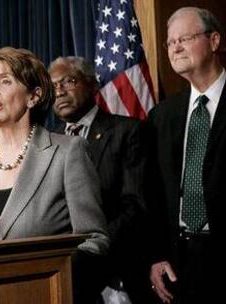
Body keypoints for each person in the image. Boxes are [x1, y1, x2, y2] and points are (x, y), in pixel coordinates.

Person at [0, 47, 109, 304]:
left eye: (4, 81)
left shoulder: (67, 152)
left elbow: (94, 241)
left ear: (34, 96)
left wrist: (50, 280)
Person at [49, 56, 151, 304]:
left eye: (68, 81)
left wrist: (88, 253)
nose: (59, 91)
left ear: (93, 85)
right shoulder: (47, 143)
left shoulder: (127, 131)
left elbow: (135, 205)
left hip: (112, 271)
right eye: (53, 86)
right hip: (59, 275)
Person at [147, 7, 225, 304]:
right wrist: (156, 255)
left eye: (185, 38)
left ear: (214, 40)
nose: (175, 47)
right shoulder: (162, 116)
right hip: (179, 263)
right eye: (170, 42)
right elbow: (153, 194)